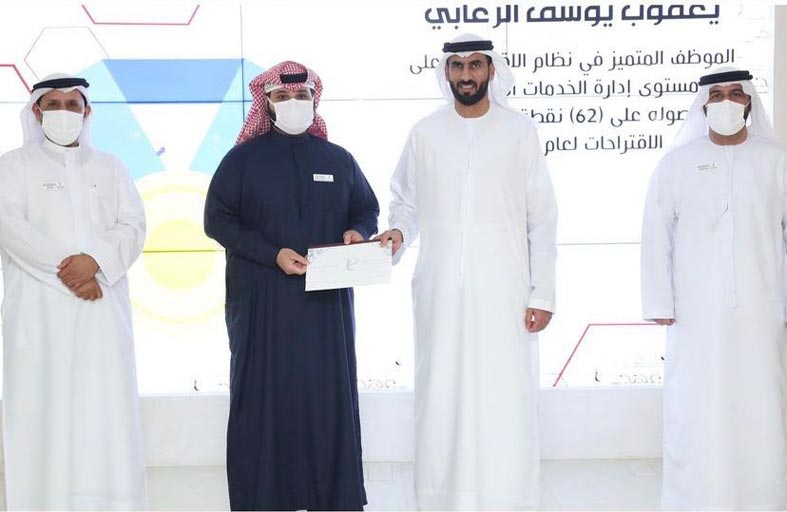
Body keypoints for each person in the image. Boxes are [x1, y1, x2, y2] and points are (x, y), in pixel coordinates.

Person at [377, 34, 558, 510]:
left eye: (475, 64)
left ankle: (505, 499)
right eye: (457, 66)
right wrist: (397, 233)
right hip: (440, 290)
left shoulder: (519, 132)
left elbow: (542, 217)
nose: (466, 74)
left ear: (491, 70)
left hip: (506, 291)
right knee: (441, 397)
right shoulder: (425, 133)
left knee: (504, 396)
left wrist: (543, 293)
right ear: (446, 73)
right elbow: (406, 202)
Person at [204, 61, 379, 511]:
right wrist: (272, 253)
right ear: (266, 103)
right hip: (262, 304)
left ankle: (330, 498)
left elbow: (365, 208)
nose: (293, 103)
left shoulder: (337, 159)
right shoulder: (241, 160)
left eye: (302, 96)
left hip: (325, 308)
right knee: (264, 399)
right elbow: (217, 221)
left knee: (326, 399)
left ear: (314, 101)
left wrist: (358, 231)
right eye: (283, 97)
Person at [641, 68, 787, 509]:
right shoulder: (677, 164)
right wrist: (658, 300)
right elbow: (656, 233)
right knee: (695, 407)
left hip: (760, 310)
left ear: (749, 102)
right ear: (704, 105)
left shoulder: (775, 161)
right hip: (694, 314)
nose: (726, 102)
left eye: (735, 94)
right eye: (717, 94)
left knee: (759, 405)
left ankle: (760, 499)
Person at [0, 73, 147, 510]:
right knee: (40, 410)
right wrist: (72, 272)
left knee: (105, 411)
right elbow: (11, 229)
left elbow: (133, 225)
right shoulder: (12, 166)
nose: (64, 112)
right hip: (39, 312)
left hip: (103, 310)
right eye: (54, 104)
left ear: (87, 112)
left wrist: (96, 262)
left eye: (73, 104)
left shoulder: (111, 167)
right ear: (36, 111)